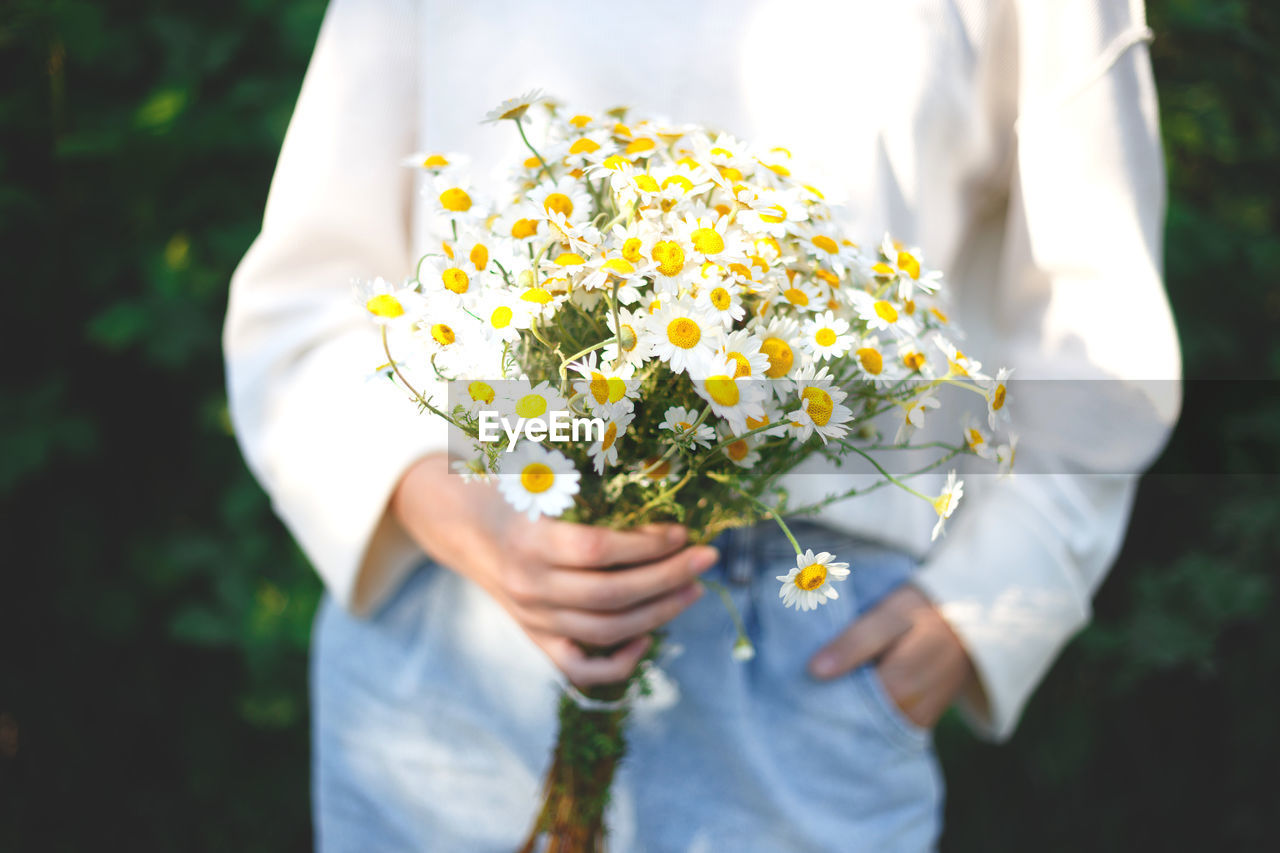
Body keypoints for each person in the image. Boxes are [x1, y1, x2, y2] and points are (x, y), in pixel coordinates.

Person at [223, 0, 1181, 849]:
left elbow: (1098, 340)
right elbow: (308, 303)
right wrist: (463, 518)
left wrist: (991, 602)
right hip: (450, 649)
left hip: (811, 668)